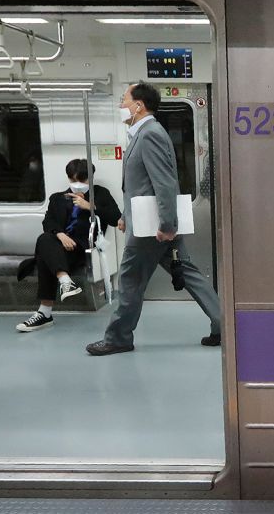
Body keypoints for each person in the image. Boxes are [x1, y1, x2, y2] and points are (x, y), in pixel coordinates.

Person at [86, 82, 221, 355]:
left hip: (152, 230)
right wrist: (127, 215)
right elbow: (142, 185)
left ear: (139, 105)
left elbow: (165, 183)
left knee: (130, 281)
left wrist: (167, 225)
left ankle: (118, 337)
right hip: (150, 223)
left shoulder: (150, 134)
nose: (121, 106)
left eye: (124, 100)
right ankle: (224, 325)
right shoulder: (141, 134)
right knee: (190, 274)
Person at [15, 159, 123, 332]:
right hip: (59, 247)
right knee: (46, 239)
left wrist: (90, 207)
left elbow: (116, 219)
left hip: (82, 248)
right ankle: (64, 280)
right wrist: (60, 234)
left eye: (83, 181)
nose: (78, 185)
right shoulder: (58, 198)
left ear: (91, 178)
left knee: (44, 251)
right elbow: (48, 222)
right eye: (73, 181)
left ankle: (45, 313)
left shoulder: (101, 194)